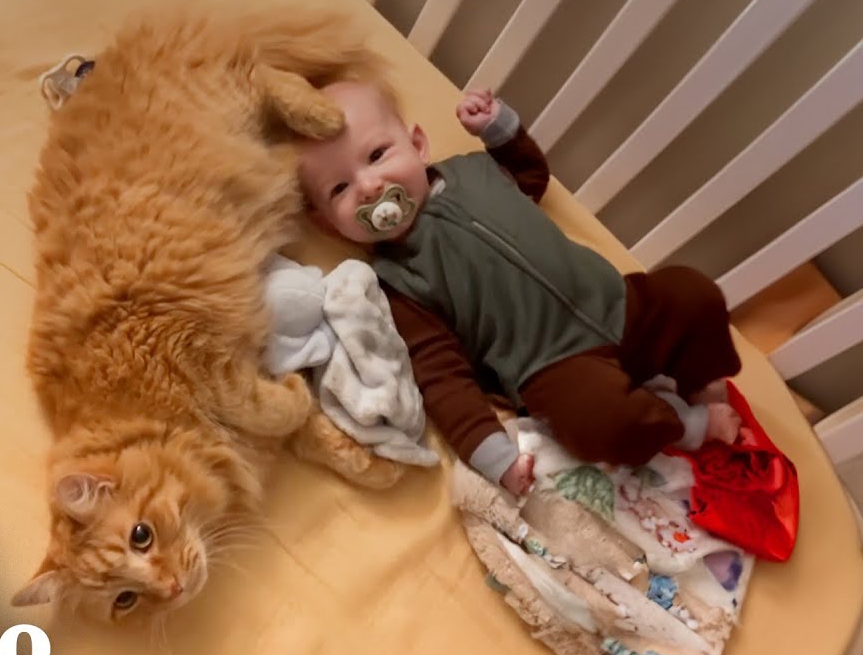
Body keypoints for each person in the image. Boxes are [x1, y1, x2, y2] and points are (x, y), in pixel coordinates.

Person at [296, 81, 743, 497]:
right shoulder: (398, 282)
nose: (370, 187)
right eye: (340, 188)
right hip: (555, 366)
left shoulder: (475, 170)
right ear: (328, 226)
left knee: (692, 291)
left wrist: (500, 131)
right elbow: (441, 377)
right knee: (598, 426)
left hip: (621, 303)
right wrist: (492, 454)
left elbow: (531, 178)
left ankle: (701, 378)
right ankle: (685, 425)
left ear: (417, 144)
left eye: (376, 155)